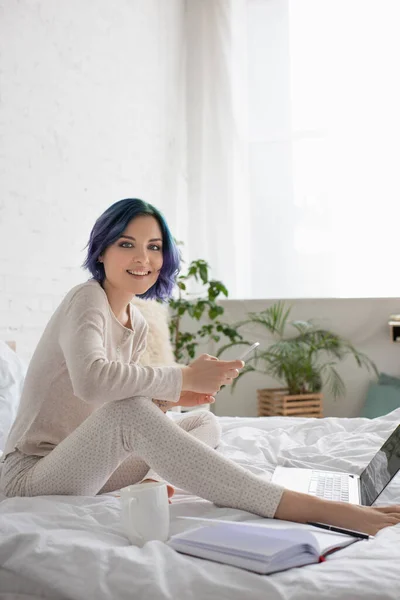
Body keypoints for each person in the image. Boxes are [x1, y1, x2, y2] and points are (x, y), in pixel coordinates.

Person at [1, 198, 399, 537]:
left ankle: (159, 481)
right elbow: (93, 382)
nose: (143, 258)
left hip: (90, 465)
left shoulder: (136, 321)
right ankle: (312, 508)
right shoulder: (86, 298)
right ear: (102, 252)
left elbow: (117, 401)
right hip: (32, 476)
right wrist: (182, 377)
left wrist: (171, 399)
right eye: (127, 244)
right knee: (131, 414)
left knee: (202, 421)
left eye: (154, 247)